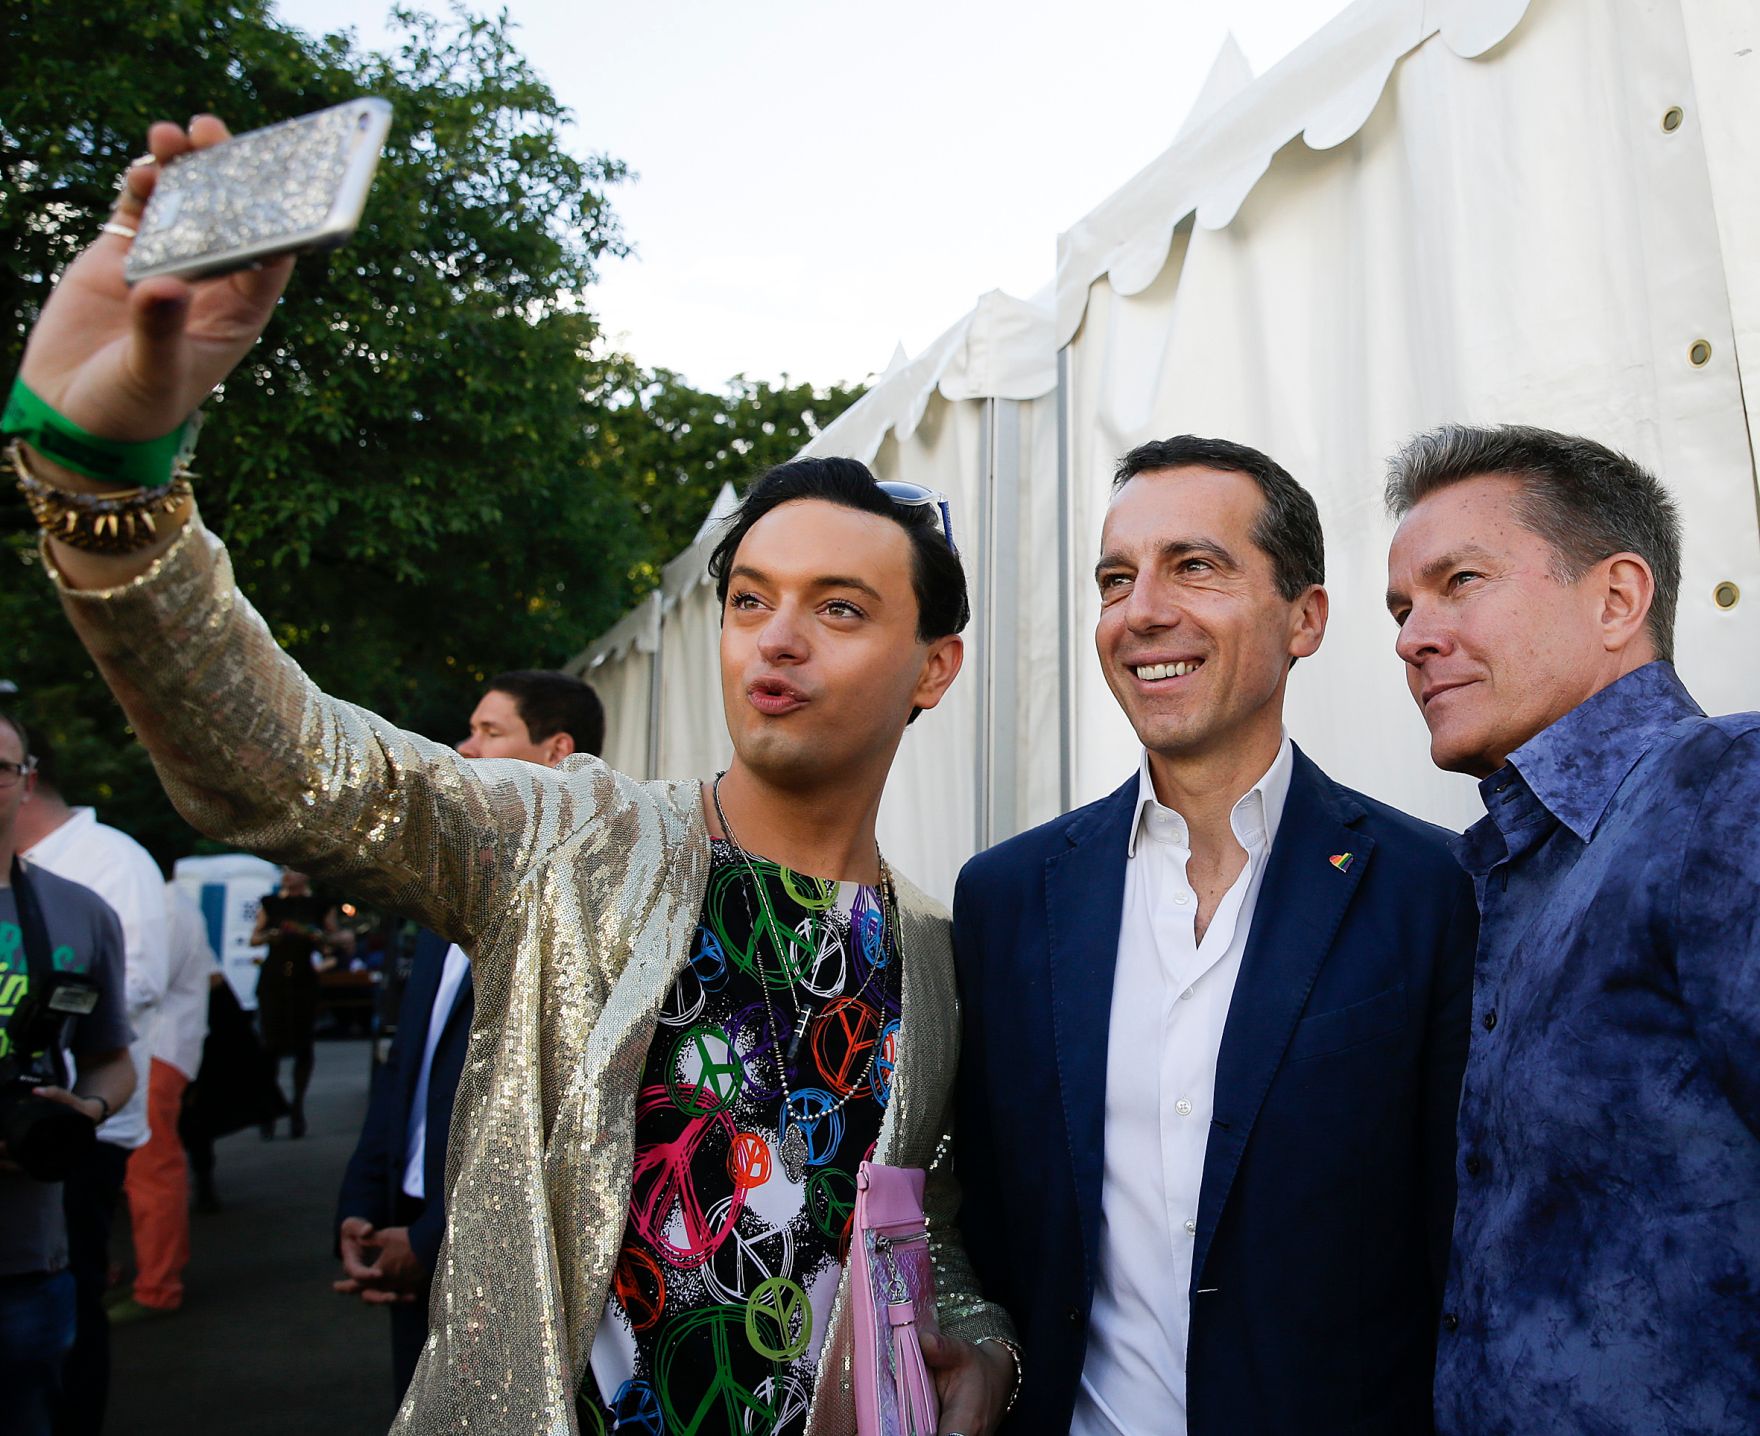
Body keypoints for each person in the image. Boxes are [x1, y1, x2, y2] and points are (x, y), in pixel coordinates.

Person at [6, 115, 1018, 1436]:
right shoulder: (575, 843)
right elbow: (290, 769)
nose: (775, 634)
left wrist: (983, 1354)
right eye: (752, 598)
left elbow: (919, 1235)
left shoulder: (933, 953)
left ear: (932, 668)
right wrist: (107, 477)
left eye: (837, 609)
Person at [953, 436, 1476, 1435]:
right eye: (1116, 577)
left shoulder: (1433, 889)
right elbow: (984, 1225)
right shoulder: (1006, 898)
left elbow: (1463, 1250)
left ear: (1304, 616)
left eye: (1194, 565)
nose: (1142, 608)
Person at [1383, 424, 1760, 1433]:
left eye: (1458, 580)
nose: (1411, 635)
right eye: (1401, 606)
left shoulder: (1723, 788)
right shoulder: (1475, 874)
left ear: (1616, 598)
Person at [335, 669, 605, 1402]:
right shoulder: (441, 897)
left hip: (503, 1262)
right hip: (404, 1241)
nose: (464, 747)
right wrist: (363, 1207)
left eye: (490, 731)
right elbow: (406, 1070)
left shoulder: (587, 917)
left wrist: (429, 1243)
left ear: (557, 753)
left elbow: (563, 1119)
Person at [11, 726, 168, 1436]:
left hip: (26, 1257)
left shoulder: (79, 910)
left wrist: (87, 1109)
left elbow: (113, 1054)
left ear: (25, 779)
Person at [111, 881, 212, 1322]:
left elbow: (138, 987)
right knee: (140, 1169)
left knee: (151, 1170)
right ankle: (147, 1278)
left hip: (152, 1052)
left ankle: (158, 1286)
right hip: (152, 1051)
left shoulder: (162, 905)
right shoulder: (172, 904)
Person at [249, 867, 345, 1138]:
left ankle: (297, 1107)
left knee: (303, 1043)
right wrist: (272, 935)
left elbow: (334, 942)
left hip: (303, 980)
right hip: (274, 979)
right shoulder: (271, 903)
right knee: (269, 1045)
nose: (287, 875)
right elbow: (254, 937)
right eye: (285, 871)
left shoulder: (320, 906)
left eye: (293, 870)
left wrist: (318, 938)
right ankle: (269, 1109)